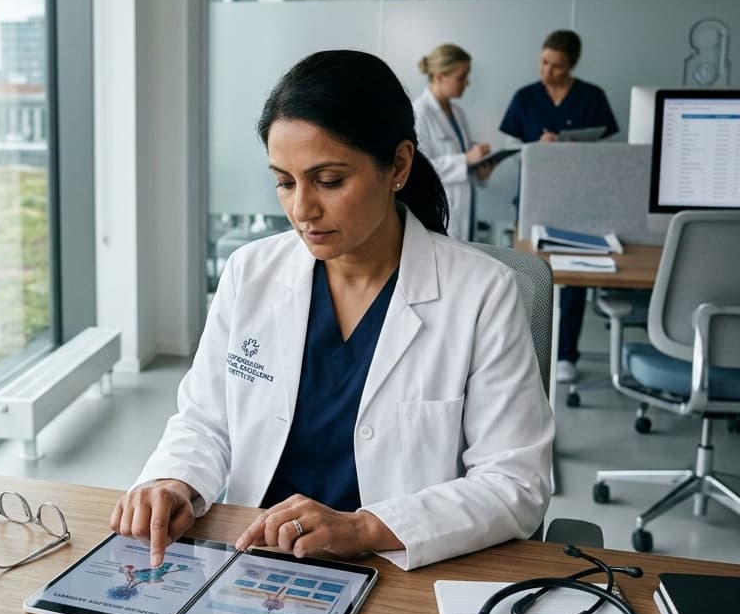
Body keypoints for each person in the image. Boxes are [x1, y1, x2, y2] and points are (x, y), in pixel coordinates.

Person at [110, 50, 554, 572]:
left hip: (394, 565)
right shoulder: (250, 272)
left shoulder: (482, 293)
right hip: (254, 558)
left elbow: (514, 482)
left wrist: (364, 527)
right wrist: (172, 480)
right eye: (285, 182)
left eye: (329, 180)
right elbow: (206, 421)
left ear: (399, 166)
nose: (302, 210)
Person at [499, 29, 618, 384]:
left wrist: (572, 150)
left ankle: (566, 354)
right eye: (544, 62)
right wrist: (539, 148)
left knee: (573, 278)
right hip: (532, 198)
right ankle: (522, 354)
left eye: (557, 66)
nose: (547, 71)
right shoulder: (526, 97)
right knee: (527, 275)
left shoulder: (592, 97)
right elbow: (509, 149)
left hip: (577, 202)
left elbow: (611, 154)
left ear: (573, 65)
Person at [412, 44, 493, 242]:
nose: (467, 83)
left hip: (466, 209)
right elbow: (421, 168)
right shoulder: (419, 113)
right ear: (440, 76)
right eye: (461, 77)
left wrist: (479, 169)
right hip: (441, 211)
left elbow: (463, 165)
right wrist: (466, 159)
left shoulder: (458, 113)